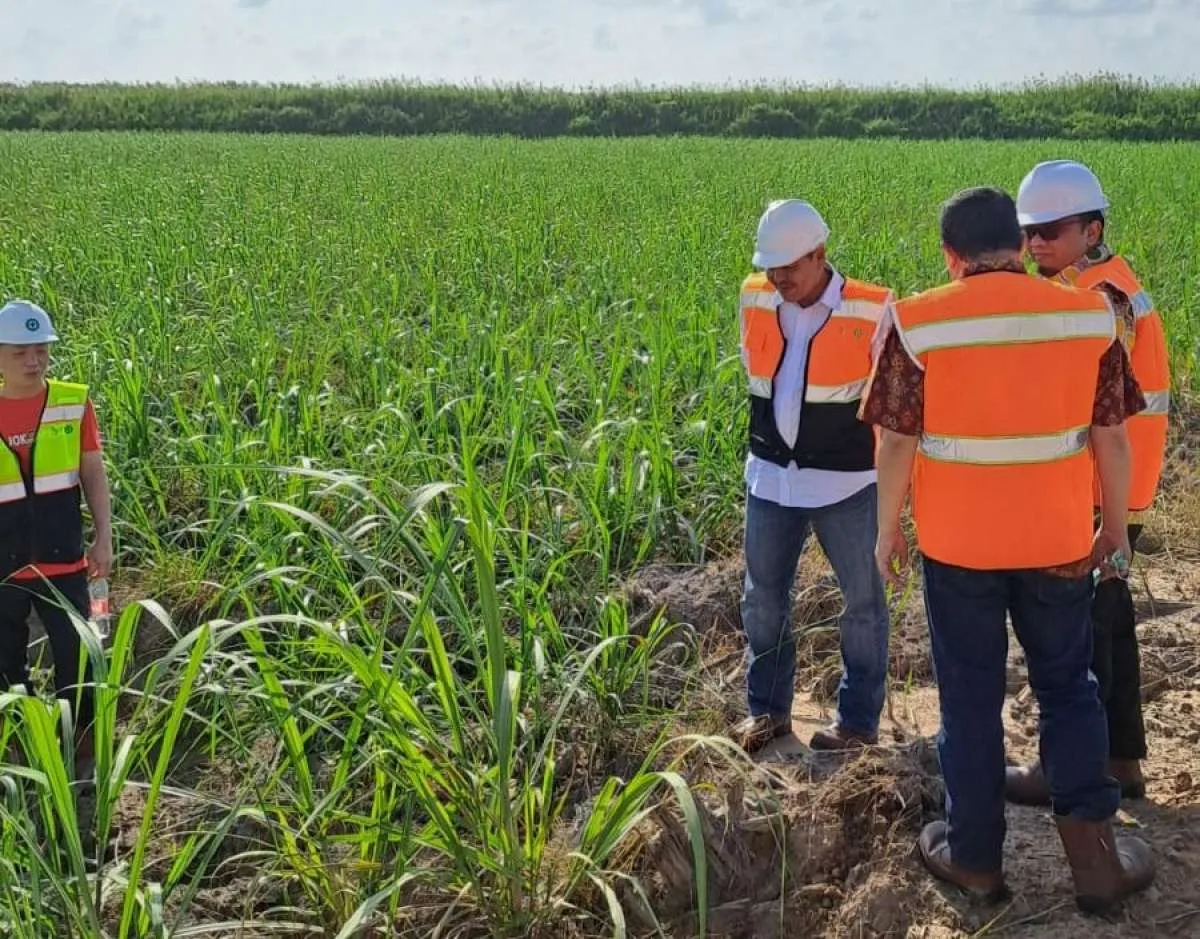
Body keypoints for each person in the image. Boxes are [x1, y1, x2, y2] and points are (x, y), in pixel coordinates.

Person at [863, 187, 1155, 912]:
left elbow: (896, 439)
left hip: (961, 547)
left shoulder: (918, 322)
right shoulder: (1087, 316)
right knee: (1069, 688)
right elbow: (1111, 437)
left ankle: (976, 863)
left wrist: (887, 528)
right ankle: (1095, 867)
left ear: (949, 255)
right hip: (1058, 540)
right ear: (1022, 247)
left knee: (968, 697)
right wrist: (1113, 528)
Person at [1005, 160, 1170, 805]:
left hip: (1097, 494)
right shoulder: (1104, 283)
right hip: (1115, 490)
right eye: (1028, 231)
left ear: (1091, 228)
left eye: (1050, 229)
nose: (1036, 243)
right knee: (1109, 621)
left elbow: (1090, 411)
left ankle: (1073, 770)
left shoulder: (1097, 300)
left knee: (1074, 639)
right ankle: (1121, 761)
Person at [733, 198, 893, 754]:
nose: (779, 281)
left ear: (820, 254)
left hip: (847, 486)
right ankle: (768, 712)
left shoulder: (873, 309)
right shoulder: (755, 295)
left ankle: (857, 723)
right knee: (762, 602)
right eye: (771, 269)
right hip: (771, 481)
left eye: (791, 270)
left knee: (863, 604)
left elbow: (893, 403)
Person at [0, 299, 112, 778]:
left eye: (41, 349)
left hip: (64, 558)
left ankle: (81, 754)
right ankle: (21, 751)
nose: (33, 360)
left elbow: (92, 469)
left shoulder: (71, 400)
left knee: (79, 658)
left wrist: (104, 537)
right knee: (5, 667)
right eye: (20, 351)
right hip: (3, 566)